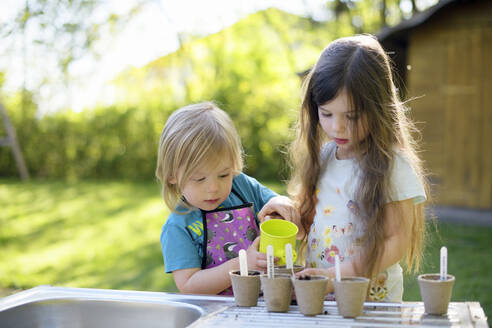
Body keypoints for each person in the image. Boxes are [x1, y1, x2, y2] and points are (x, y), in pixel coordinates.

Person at [288, 34, 429, 302]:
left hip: (372, 302)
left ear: (379, 109)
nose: (337, 127)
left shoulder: (393, 165)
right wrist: (286, 217)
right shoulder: (325, 156)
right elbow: (313, 222)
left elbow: (396, 240)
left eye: (351, 116)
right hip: (323, 299)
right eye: (326, 114)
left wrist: (342, 274)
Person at [156, 101, 299, 295]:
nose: (214, 188)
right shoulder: (178, 227)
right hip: (217, 315)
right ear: (172, 175)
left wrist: (280, 203)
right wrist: (242, 265)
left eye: (224, 175)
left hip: (266, 304)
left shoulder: (242, 186)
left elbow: (274, 202)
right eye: (199, 179)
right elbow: (189, 286)